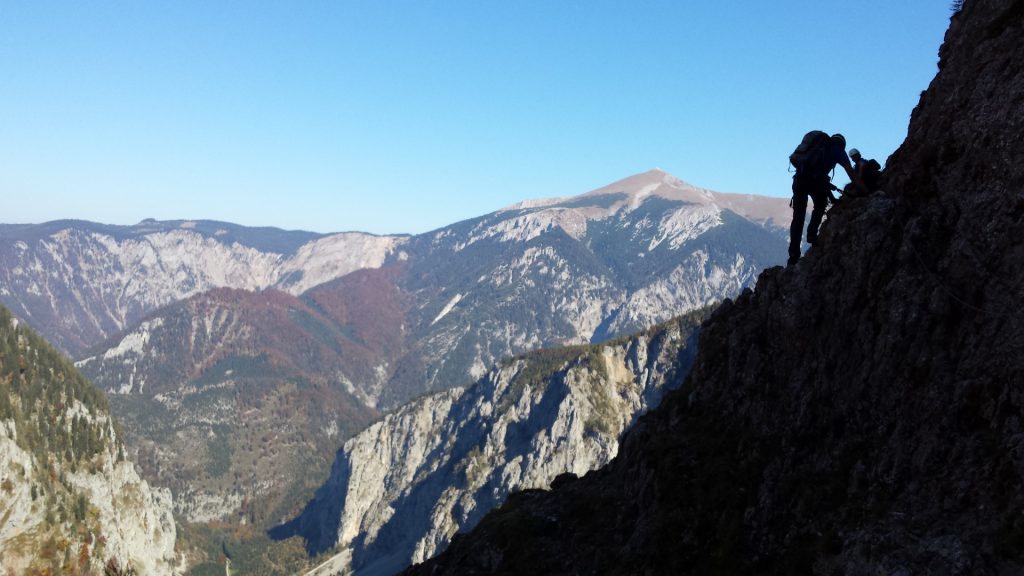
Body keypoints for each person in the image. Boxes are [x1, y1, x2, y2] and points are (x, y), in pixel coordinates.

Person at [788, 133, 866, 266]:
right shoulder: (838, 151)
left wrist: (832, 198)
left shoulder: (819, 146)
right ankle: (812, 234)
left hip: (799, 180)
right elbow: (852, 174)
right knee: (819, 205)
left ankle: (793, 257)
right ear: (842, 144)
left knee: (798, 217)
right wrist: (866, 191)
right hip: (816, 183)